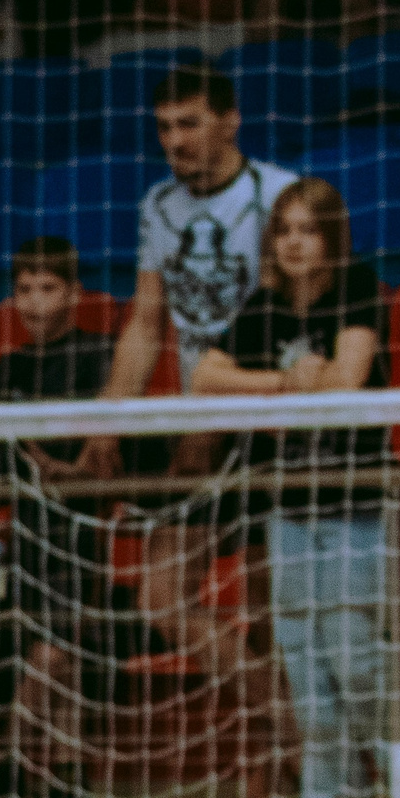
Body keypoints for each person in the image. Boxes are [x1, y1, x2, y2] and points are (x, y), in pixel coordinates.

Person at [195, 177, 400, 798]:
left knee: (353, 653)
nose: (294, 242)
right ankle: (331, 791)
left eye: (308, 230)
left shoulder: (358, 290)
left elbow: (347, 381)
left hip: (356, 501)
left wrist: (295, 382)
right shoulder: (263, 307)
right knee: (302, 660)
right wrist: (284, 381)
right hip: (289, 507)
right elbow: (205, 376)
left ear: (332, 238)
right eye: (284, 230)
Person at [82, 65, 298, 752]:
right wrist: (108, 421)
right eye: (165, 127)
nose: (175, 140)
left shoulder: (277, 194)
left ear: (230, 122)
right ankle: (302, 733)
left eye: (190, 123)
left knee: (270, 611)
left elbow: (278, 315)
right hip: (197, 423)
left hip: (270, 422)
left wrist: (217, 410)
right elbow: (147, 322)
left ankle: (294, 764)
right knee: (163, 599)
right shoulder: (159, 205)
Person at [0, 236, 134, 798]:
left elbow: (104, 459)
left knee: (54, 656)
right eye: (24, 290)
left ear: (74, 293)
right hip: (26, 540)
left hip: (79, 537)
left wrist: (61, 467)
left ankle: (4, 768)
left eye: (48, 288)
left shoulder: (100, 356)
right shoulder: (10, 368)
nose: (35, 302)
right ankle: (65, 777)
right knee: (52, 664)